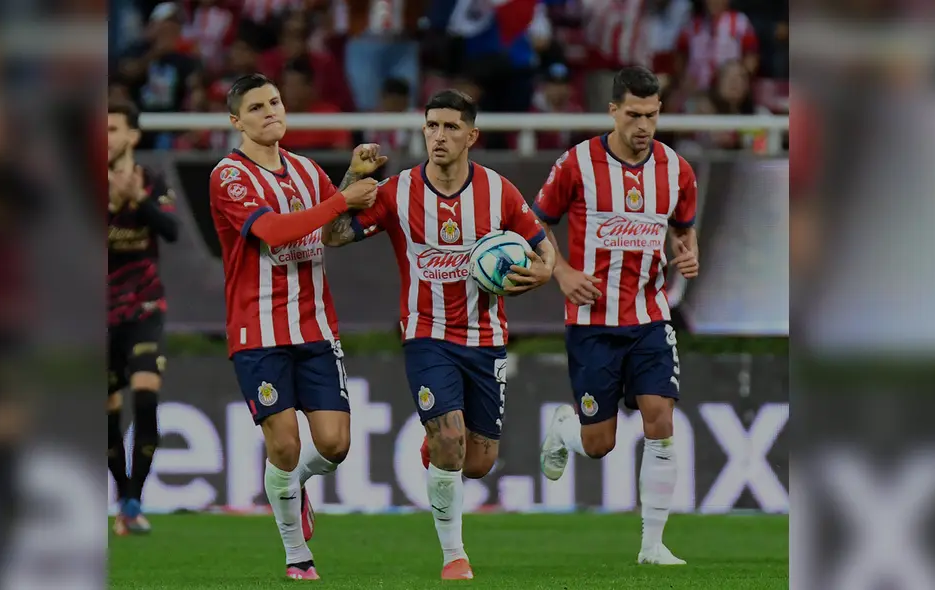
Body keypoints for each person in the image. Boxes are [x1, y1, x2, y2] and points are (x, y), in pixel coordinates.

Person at [323, 89, 557, 580]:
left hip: (486, 336)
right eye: (432, 126)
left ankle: (439, 448)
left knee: (477, 463)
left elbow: (541, 245)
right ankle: (455, 557)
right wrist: (352, 179)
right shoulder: (396, 190)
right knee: (450, 438)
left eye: (451, 127)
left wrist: (544, 271)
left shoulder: (499, 191)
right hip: (425, 335)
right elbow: (334, 234)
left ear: (471, 135)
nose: (439, 135)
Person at [207, 73, 382, 581]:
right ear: (236, 120)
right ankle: (296, 556)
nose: (270, 112)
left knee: (334, 445)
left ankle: (297, 485)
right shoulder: (229, 176)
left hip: (315, 328)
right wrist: (340, 200)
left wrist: (351, 178)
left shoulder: (307, 171)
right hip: (256, 330)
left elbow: (334, 231)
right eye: (257, 107)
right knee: (282, 445)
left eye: (276, 101)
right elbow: (271, 230)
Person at [533, 66, 700, 566]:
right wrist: (560, 272)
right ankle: (566, 429)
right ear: (612, 111)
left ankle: (652, 545)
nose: (643, 125)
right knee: (599, 443)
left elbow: (684, 231)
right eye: (633, 114)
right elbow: (533, 224)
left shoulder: (677, 170)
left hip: (650, 316)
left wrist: (689, 253)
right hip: (592, 323)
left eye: (651, 114)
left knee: (660, 418)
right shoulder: (577, 163)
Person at [107, 98, 180, 535]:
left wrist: (139, 200)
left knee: (146, 393)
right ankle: (124, 497)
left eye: (112, 129)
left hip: (145, 305)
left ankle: (134, 499)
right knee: (108, 412)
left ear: (132, 136)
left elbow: (171, 231)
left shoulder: (151, 181)